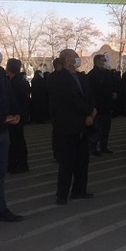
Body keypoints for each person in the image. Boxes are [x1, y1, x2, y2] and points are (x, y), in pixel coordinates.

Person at [49, 49, 96, 205]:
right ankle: (62, 194)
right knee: (67, 162)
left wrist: (91, 113)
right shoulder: (58, 78)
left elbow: (89, 96)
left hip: (83, 126)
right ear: (67, 59)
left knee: (82, 160)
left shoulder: (81, 77)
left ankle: (79, 190)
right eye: (75, 56)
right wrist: (87, 113)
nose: (77, 59)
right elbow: (69, 101)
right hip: (67, 126)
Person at [0, 39, 23, 233]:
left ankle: (0, 210)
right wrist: (1, 117)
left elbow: (10, 96)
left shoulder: (0, 73)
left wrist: (16, 113)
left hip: (2, 131)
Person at [87, 54, 118, 155]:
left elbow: (114, 85)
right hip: (97, 106)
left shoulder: (108, 73)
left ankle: (104, 147)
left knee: (106, 128)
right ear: (97, 62)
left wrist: (114, 92)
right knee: (96, 129)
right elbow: (91, 92)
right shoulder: (91, 75)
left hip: (107, 105)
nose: (105, 62)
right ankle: (93, 148)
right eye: (103, 60)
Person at [5, 58, 30, 173]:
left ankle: (17, 164)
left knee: (15, 140)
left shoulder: (14, 82)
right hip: (22, 113)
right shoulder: (21, 80)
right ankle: (21, 163)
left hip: (16, 115)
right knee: (19, 139)